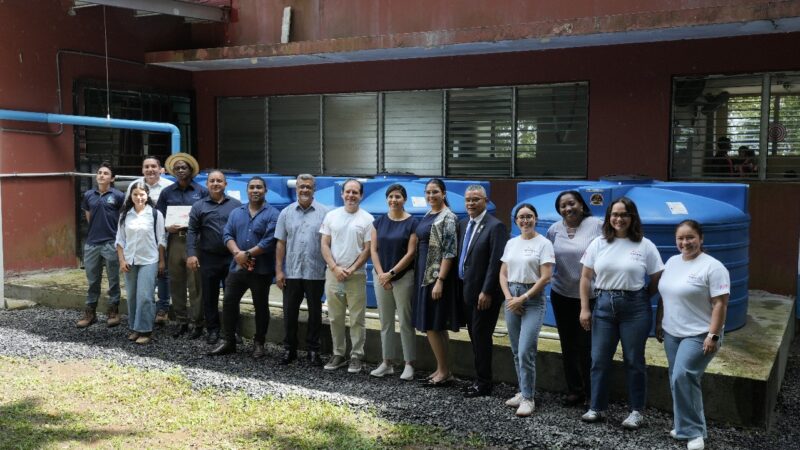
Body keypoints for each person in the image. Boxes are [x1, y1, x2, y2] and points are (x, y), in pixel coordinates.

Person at [579, 197, 664, 428]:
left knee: (634, 360)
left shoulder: (645, 245)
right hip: (604, 305)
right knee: (599, 360)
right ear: (609, 217)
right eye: (614, 214)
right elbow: (586, 277)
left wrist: (644, 296)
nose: (619, 219)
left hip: (635, 309)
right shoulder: (598, 243)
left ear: (632, 217)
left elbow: (657, 277)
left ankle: (636, 411)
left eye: (624, 214)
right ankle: (597, 408)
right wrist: (585, 308)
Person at [656, 220, 729, 450]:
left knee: (682, 376)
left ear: (701, 238)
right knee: (679, 380)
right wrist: (659, 323)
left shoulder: (713, 267)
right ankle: (683, 425)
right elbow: (665, 295)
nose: (685, 243)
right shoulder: (672, 261)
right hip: (672, 332)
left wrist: (713, 335)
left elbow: (720, 304)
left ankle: (694, 432)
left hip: (700, 334)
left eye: (690, 238)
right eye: (680, 238)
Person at [208, 176, 280, 358]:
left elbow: (270, 241)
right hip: (237, 268)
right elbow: (227, 234)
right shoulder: (236, 212)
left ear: (265, 191)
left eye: (259, 187)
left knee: (261, 306)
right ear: (247, 191)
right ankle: (229, 341)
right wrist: (237, 254)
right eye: (252, 187)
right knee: (229, 303)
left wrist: (246, 255)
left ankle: (259, 343)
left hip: (261, 270)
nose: (255, 190)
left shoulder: (273, 214)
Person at [546, 190, 603, 406]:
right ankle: (574, 390)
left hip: (590, 296)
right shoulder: (554, 229)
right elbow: (550, 257)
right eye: (563, 206)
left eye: (572, 204)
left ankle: (591, 393)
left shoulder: (596, 225)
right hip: (561, 294)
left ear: (581, 204)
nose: (568, 209)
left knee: (587, 345)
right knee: (567, 344)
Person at [499, 203, 554, 416]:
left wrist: (523, 298)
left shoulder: (544, 244)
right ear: (516, 221)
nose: (525, 220)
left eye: (529, 216)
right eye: (521, 217)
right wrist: (510, 298)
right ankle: (522, 391)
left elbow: (546, 277)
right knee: (515, 350)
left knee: (525, 350)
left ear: (536, 219)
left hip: (532, 299)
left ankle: (529, 398)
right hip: (512, 297)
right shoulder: (511, 243)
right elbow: (503, 274)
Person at [458, 184, 508, 398]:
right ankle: (478, 379)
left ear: (486, 201)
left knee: (481, 337)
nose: (471, 203)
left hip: (484, 295)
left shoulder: (495, 226)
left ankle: (484, 383)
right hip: (467, 291)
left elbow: (495, 262)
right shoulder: (463, 224)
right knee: (474, 336)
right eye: (468, 199)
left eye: (476, 199)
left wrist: (487, 291)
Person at [320, 179, 374, 373]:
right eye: (348, 192)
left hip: (356, 275)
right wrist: (334, 267)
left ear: (361, 195)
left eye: (355, 192)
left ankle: (356, 356)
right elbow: (325, 243)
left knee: (358, 318)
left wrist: (351, 269)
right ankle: (338, 354)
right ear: (342, 194)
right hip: (334, 274)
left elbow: (368, 249)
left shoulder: (367, 219)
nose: (351, 195)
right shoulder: (331, 216)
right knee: (335, 317)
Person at [275, 174, 329, 366]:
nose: (305, 190)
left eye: (308, 187)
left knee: (315, 313)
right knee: (289, 312)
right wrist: (279, 271)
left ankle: (313, 351)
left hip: (316, 272)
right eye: (301, 187)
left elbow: (328, 243)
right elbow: (281, 243)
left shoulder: (325, 213)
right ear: (296, 189)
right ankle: (290, 349)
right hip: (292, 272)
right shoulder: (286, 213)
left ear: (314, 189)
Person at [369, 184, 419, 380]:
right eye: (390, 196)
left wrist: (391, 273)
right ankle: (387, 362)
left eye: (397, 196)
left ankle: (409, 364)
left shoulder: (412, 223)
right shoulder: (378, 222)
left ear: (404, 199)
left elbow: (411, 252)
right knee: (386, 321)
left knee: (406, 322)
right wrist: (382, 275)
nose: (393, 200)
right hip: (381, 277)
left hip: (403, 278)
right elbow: (373, 250)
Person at [186, 170, 241, 345]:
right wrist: (191, 254)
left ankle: (232, 331)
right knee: (210, 296)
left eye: (219, 181)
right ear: (207, 184)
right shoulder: (199, 206)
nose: (215, 184)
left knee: (231, 296)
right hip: (208, 257)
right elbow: (192, 231)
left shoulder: (237, 205)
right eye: (212, 181)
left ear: (226, 184)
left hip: (231, 258)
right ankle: (213, 330)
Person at [413, 179, 460, 387]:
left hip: (435, 278)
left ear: (443, 193)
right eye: (428, 192)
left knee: (432, 325)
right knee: (436, 326)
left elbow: (449, 252)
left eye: (435, 192)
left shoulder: (448, 217)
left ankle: (443, 371)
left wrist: (440, 280)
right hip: (424, 277)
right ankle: (443, 369)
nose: (431, 196)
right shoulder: (428, 214)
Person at [156, 153, 208, 338]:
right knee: (176, 282)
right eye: (176, 168)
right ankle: (181, 321)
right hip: (175, 240)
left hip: (195, 241)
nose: (180, 170)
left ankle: (197, 323)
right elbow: (158, 217)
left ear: (191, 170)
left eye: (183, 167)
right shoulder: (167, 192)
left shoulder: (202, 191)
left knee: (195, 283)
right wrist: (166, 227)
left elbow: (207, 215)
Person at [115, 182, 166, 345]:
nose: (139, 197)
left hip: (149, 260)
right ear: (131, 196)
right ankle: (135, 328)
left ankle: (145, 330)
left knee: (145, 296)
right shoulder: (125, 215)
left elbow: (161, 240)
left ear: (147, 195)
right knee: (132, 296)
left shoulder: (155, 214)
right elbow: (120, 240)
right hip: (130, 260)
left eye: (142, 194)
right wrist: (122, 260)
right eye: (135, 194)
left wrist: (162, 261)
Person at [77, 162, 125, 328]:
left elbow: (122, 219)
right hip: (92, 244)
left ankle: (113, 310)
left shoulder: (119, 195)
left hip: (111, 243)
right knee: (93, 280)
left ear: (112, 178)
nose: (102, 175)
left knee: (113, 280)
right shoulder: (89, 195)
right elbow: (89, 217)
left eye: (106, 173)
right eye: (100, 172)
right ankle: (90, 312)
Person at [127, 156, 174, 325]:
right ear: (142, 169)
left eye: (154, 166)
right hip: (141, 238)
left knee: (163, 272)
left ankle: (163, 308)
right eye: (146, 166)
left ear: (160, 168)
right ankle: (146, 309)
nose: (150, 169)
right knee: (143, 280)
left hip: (165, 234)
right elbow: (127, 207)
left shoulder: (168, 186)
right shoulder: (134, 186)